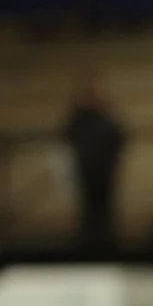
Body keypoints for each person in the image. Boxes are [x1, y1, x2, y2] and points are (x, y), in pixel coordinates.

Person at [61, 73, 128, 249]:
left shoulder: (106, 117)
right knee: (88, 207)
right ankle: (88, 240)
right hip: (85, 168)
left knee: (104, 206)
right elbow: (67, 136)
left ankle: (105, 239)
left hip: (104, 168)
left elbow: (119, 137)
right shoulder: (78, 118)